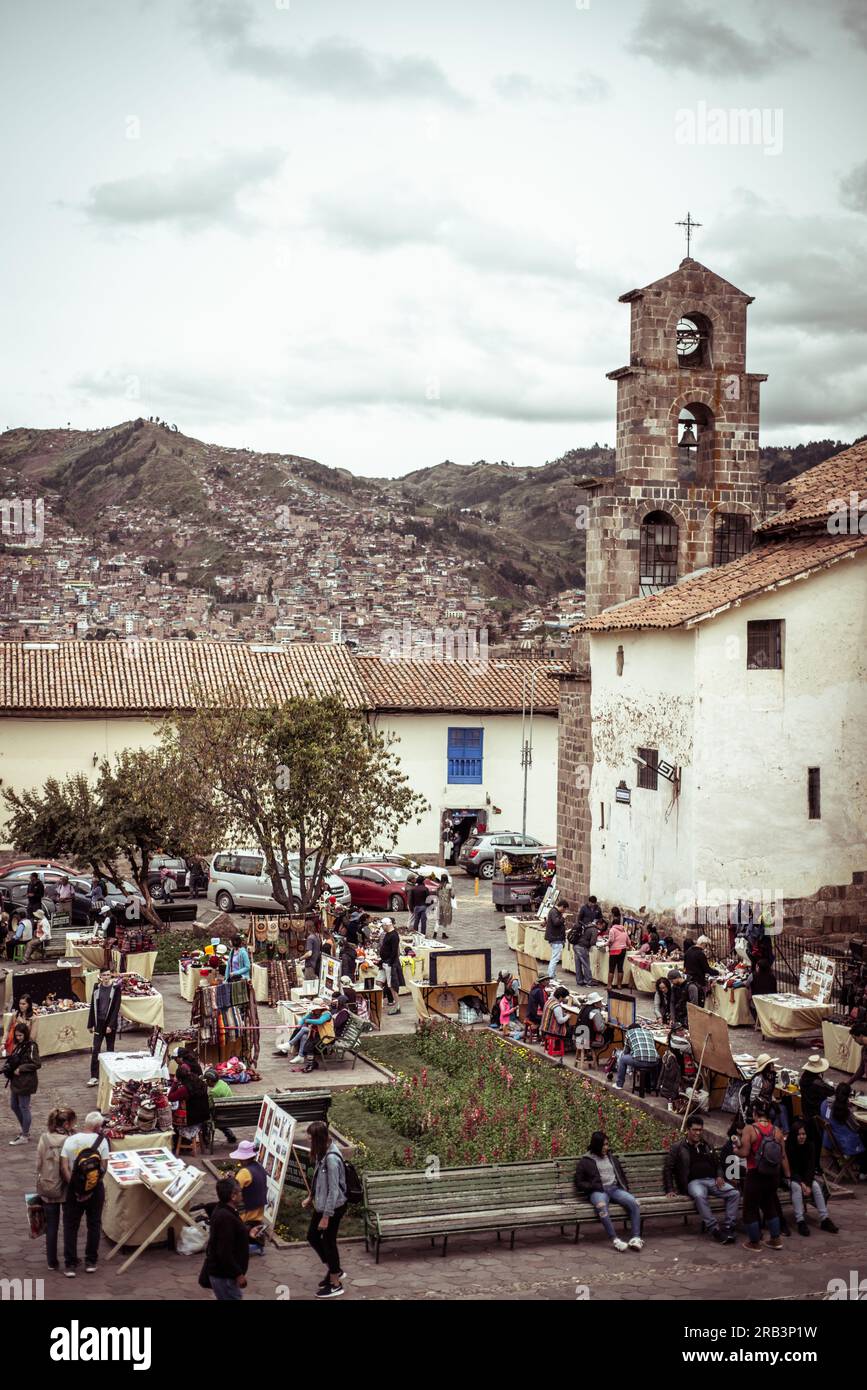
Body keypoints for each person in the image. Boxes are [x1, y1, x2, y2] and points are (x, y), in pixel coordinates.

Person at [663, 1114, 739, 1243]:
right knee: (699, 1195)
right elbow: (668, 1168)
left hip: (712, 1180)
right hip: (693, 1182)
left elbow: (718, 1164)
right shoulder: (678, 1147)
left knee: (734, 1193)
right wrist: (670, 1189)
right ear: (688, 1130)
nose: (698, 1133)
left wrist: (720, 1176)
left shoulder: (707, 1145)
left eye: (700, 1130)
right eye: (695, 1130)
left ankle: (728, 1226)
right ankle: (714, 1229)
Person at [574, 1131, 643, 1251]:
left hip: (614, 1189)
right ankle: (615, 1240)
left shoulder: (612, 1158)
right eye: (604, 1144)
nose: (607, 1147)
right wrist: (593, 1186)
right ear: (597, 1145)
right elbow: (579, 1182)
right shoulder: (586, 1161)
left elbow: (621, 1176)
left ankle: (636, 1238)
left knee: (634, 1202)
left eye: (607, 1144)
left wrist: (625, 1189)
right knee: (601, 1206)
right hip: (598, 1191)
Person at [736, 1099, 790, 1252]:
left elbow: (745, 1153)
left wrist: (736, 1150)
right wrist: (788, 1175)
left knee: (750, 1209)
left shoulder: (750, 1129)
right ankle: (775, 1239)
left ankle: (754, 1242)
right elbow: (783, 1156)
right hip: (773, 1175)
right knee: (769, 1205)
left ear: (754, 1113)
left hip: (755, 1174)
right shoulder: (777, 1131)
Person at [302, 1120, 348, 1298]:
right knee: (312, 1236)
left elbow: (334, 1190)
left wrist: (327, 1216)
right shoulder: (323, 1152)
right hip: (322, 1204)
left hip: (333, 1207)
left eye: (310, 1139)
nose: (308, 1142)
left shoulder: (331, 1159)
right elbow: (318, 1179)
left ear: (318, 1140)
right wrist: (311, 1196)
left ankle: (336, 1283)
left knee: (329, 1242)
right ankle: (334, 1268)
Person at [60, 1111, 109, 1275]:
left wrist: (75, 1186)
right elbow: (104, 1167)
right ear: (97, 1126)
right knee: (94, 1224)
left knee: (70, 1226)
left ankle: (70, 1264)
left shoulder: (71, 1140)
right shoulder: (102, 1141)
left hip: (74, 1191)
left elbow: (64, 1166)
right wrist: (92, 1186)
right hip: (95, 1189)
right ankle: (90, 1261)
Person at [201, 1176, 256, 1300]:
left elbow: (232, 1232)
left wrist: (248, 1231)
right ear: (233, 1196)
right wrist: (238, 1275)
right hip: (224, 1277)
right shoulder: (225, 1217)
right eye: (240, 1191)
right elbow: (224, 1252)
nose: (242, 1194)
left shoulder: (225, 1210)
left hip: (224, 1275)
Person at [36, 1105, 76, 1270]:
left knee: (51, 1226)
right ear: (67, 1124)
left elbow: (38, 1163)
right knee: (69, 1224)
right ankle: (70, 1257)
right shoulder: (70, 1140)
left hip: (48, 1185)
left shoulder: (44, 1138)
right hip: (67, 1187)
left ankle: (52, 1261)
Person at [786, 1118, 838, 1236]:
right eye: (799, 1134)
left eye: (803, 1134)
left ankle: (824, 1219)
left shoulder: (810, 1145)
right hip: (791, 1176)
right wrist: (802, 1183)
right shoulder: (789, 1146)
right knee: (796, 1188)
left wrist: (808, 1184)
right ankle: (800, 1221)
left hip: (806, 1176)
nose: (802, 1137)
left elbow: (811, 1167)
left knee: (816, 1187)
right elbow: (791, 1169)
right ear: (794, 1135)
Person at [4, 1021, 41, 1144]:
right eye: (17, 1035)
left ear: (25, 1034)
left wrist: (21, 1068)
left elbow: (36, 1063)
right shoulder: (18, 1045)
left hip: (26, 1081)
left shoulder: (31, 1046)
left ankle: (25, 1135)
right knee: (14, 1106)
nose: (18, 1038)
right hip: (16, 1081)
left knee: (24, 1107)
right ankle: (25, 1130)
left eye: (20, 1035)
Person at [230, 1139, 268, 1255]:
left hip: (247, 1212)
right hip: (259, 1209)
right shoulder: (259, 1167)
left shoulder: (244, 1172)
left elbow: (234, 1190)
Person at [820, 1082, 867, 1177]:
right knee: (865, 1137)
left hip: (829, 1140)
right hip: (842, 1143)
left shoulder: (824, 1103)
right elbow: (856, 1127)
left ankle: (855, 1164)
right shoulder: (845, 1111)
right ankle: (864, 1171)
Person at [86, 970, 122, 1086]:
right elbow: (93, 1005)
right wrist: (90, 1024)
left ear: (110, 975)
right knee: (96, 1049)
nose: (106, 977)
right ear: (100, 977)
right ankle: (94, 1076)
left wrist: (110, 1025)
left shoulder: (116, 989)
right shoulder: (96, 988)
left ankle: (110, 1074)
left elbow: (116, 1008)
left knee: (110, 1049)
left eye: (108, 975)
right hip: (98, 1023)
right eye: (104, 975)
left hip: (109, 1024)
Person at [168, 1063, 209, 1149]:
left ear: (180, 1078)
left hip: (192, 1118)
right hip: (203, 1116)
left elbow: (170, 1097)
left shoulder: (185, 1089)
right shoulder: (200, 1082)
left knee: (172, 1118)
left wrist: (175, 1082)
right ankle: (186, 1142)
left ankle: (181, 1145)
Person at [288, 999, 333, 1072]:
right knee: (307, 1043)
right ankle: (312, 1063)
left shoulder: (326, 1014)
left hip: (326, 1036)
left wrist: (308, 1021)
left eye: (315, 1009)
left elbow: (320, 1021)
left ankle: (310, 1065)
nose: (314, 1010)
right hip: (316, 1034)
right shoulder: (313, 1013)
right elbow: (304, 1018)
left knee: (310, 1045)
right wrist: (300, 1023)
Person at [614, 1019, 659, 1090]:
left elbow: (625, 1051)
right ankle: (652, 1085)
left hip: (639, 1061)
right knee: (647, 1057)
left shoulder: (629, 1033)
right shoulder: (649, 1032)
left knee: (622, 1059)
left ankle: (619, 1084)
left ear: (630, 1029)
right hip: (655, 1061)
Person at [749, 1054, 789, 1133]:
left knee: (782, 1108)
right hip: (760, 1107)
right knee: (775, 1113)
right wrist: (766, 1103)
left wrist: (773, 1100)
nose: (773, 1065)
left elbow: (769, 1093)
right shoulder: (759, 1079)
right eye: (771, 1064)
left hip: (768, 1103)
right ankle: (773, 1133)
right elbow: (753, 1099)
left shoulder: (770, 1077)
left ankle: (785, 1132)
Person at [203, 1069, 238, 1145]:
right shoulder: (222, 1083)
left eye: (206, 1080)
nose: (206, 1082)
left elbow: (208, 1106)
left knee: (205, 1118)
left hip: (222, 1115)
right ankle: (229, 1134)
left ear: (209, 1080)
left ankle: (206, 1139)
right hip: (231, 1112)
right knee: (217, 1116)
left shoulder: (214, 1092)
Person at [378, 917, 404, 1015]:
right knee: (379, 982)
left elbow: (394, 952)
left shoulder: (394, 936)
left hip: (389, 964)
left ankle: (397, 1006)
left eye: (383, 925)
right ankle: (379, 1004)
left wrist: (390, 963)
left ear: (387, 925)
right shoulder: (388, 934)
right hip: (385, 962)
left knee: (392, 986)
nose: (382, 927)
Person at [540, 987, 574, 1060]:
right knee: (573, 1030)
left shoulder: (549, 1001)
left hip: (544, 1028)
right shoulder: (557, 1006)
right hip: (552, 1031)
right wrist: (568, 1016)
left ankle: (562, 1046)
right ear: (561, 997)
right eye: (565, 997)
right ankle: (569, 1047)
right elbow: (560, 1020)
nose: (565, 999)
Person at [572, 912, 598, 988]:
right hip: (582, 947)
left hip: (576, 945)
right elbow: (593, 942)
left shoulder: (584, 926)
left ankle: (579, 980)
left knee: (578, 964)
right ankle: (588, 981)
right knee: (586, 964)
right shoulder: (594, 929)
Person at [544, 900, 567, 980]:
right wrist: (563, 918)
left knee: (555, 957)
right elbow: (556, 922)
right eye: (564, 909)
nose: (564, 911)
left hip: (556, 937)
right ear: (562, 906)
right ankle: (551, 976)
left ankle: (552, 976)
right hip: (555, 938)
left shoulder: (555, 911)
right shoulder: (554, 912)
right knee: (555, 958)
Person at [606, 916, 630, 989]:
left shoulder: (612, 930)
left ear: (613, 924)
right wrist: (628, 945)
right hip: (623, 950)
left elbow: (611, 940)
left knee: (611, 968)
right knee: (620, 968)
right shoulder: (624, 930)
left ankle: (609, 985)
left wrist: (606, 944)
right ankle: (619, 985)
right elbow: (628, 941)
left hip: (615, 950)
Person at [525, 972, 548, 1038]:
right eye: (546, 980)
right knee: (548, 1018)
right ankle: (544, 1038)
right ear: (542, 982)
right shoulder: (539, 991)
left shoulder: (535, 988)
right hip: (533, 1015)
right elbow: (543, 1005)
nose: (548, 982)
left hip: (529, 1013)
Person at [435, 874, 453, 940]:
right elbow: (453, 895)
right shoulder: (449, 886)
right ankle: (443, 933)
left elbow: (436, 894)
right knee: (445, 919)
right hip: (446, 904)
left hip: (440, 904)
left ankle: (435, 933)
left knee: (438, 919)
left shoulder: (439, 886)